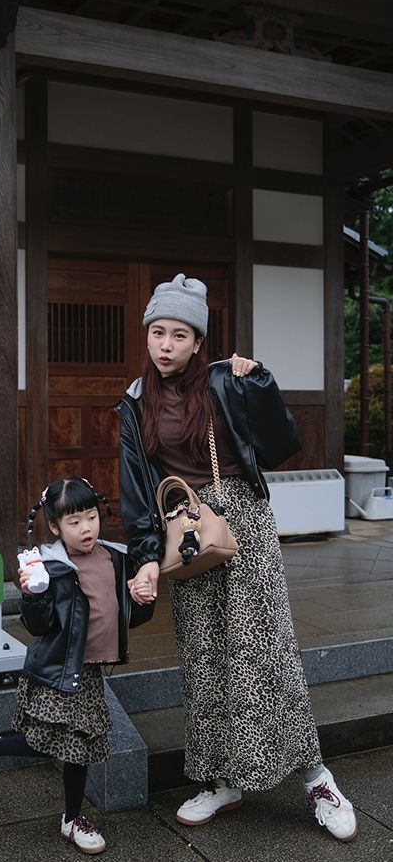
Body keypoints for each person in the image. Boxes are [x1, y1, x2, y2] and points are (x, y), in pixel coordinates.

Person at [115, 273, 358, 843]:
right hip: (186, 533)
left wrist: (262, 386)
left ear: (199, 341)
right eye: (157, 332)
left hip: (242, 525)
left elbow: (280, 447)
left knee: (266, 653)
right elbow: (136, 487)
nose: (166, 345)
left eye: (179, 335)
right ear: (147, 336)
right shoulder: (134, 400)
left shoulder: (224, 381)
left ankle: (317, 778)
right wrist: (146, 557)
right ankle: (222, 780)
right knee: (204, 660)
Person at [0, 476, 153, 855]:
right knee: (52, 742)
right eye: (74, 522)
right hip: (57, 669)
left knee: (77, 747)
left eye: (91, 517)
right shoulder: (50, 566)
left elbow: (129, 617)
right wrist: (33, 595)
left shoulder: (115, 557)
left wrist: (142, 599)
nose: (86, 528)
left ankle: (70, 819)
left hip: (88, 672)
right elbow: (38, 626)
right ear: (56, 527)